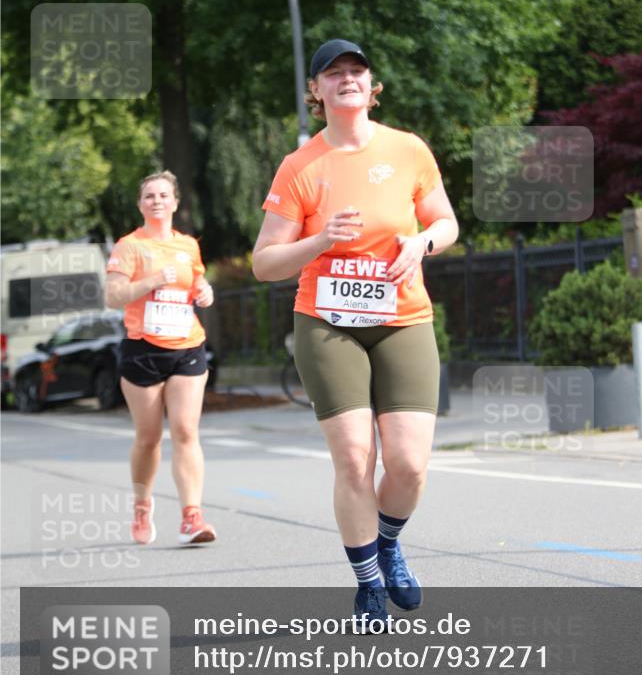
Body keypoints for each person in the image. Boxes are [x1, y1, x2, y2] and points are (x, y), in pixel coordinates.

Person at [253, 39, 459, 626]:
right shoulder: (301, 167)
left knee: (410, 464)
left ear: (372, 88)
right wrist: (320, 241)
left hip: (402, 317)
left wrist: (422, 241)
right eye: (333, 73)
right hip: (327, 321)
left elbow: (445, 220)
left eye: (357, 71)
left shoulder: (408, 150)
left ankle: (387, 542)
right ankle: (368, 582)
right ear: (315, 91)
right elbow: (264, 263)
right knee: (354, 458)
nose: (347, 79)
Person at [105, 170, 217, 546]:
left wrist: (205, 293)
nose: (156, 200)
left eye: (163, 195)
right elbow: (113, 296)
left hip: (187, 345)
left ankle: (192, 516)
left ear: (175, 202)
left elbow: (197, 282)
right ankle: (142, 505)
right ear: (141, 205)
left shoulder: (188, 246)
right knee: (149, 437)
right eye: (149, 196)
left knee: (186, 430)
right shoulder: (129, 246)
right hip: (143, 350)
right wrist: (151, 281)